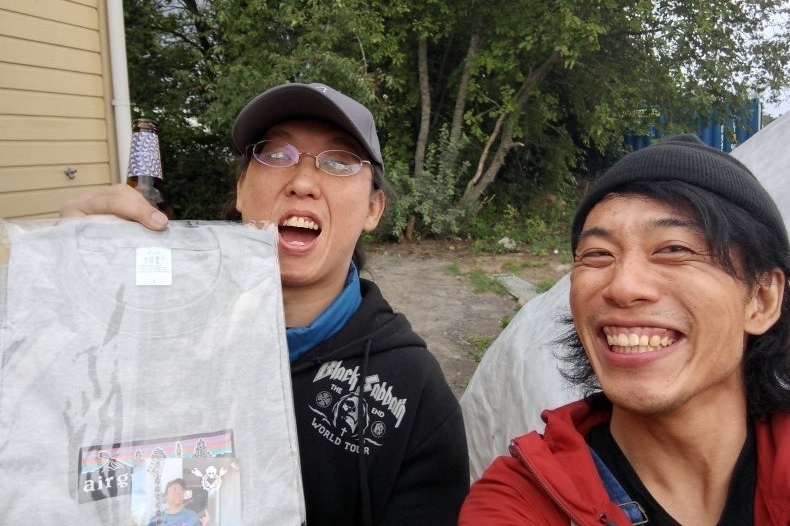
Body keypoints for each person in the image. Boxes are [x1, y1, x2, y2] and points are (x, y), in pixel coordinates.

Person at [61, 82, 469, 525]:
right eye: (276, 155)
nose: (303, 183)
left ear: (373, 209)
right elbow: (76, 478)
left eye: (339, 161)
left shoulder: (414, 394)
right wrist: (70, 300)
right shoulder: (153, 331)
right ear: (241, 189)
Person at [459, 135, 790, 525]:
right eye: (598, 254)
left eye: (674, 249)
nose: (623, 287)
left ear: (762, 299)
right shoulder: (521, 500)